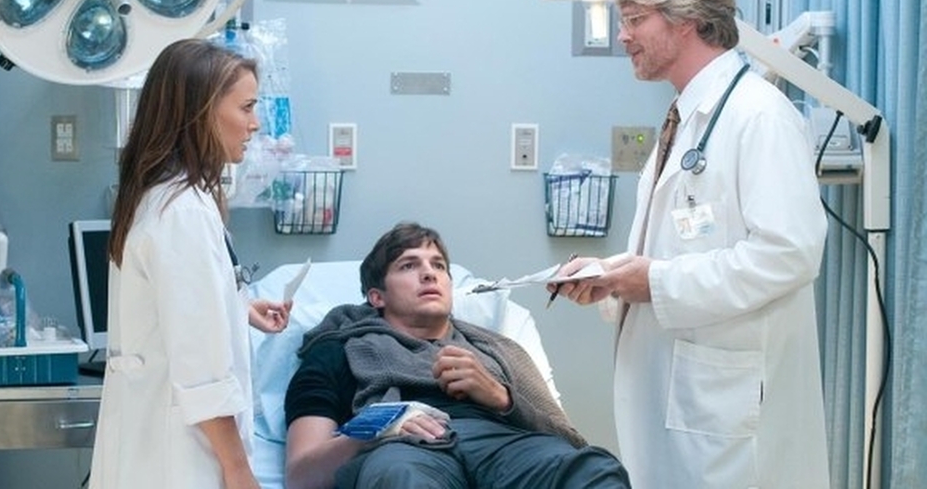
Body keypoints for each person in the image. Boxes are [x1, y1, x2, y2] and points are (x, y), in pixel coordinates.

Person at [550, 0, 831, 488]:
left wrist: (653, 282)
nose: (622, 36)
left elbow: (789, 254)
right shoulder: (688, 116)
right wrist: (612, 277)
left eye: (635, 19)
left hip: (727, 412)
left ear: (686, 19)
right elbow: (680, 246)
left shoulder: (759, 117)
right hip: (686, 399)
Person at [283, 221, 630, 489]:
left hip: (502, 446)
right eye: (408, 265)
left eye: (438, 265)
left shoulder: (496, 349)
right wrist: (380, 431)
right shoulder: (339, 349)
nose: (429, 273)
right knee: (403, 478)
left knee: (594, 469)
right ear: (377, 297)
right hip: (403, 451)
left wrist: (500, 397)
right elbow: (302, 474)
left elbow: (565, 437)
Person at [89, 38, 293, 489]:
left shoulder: (159, 196)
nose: (255, 124)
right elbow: (202, 369)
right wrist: (238, 469)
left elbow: (175, 311)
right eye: (246, 107)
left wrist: (238, 308)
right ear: (201, 112)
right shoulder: (183, 213)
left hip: (150, 444)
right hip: (181, 457)